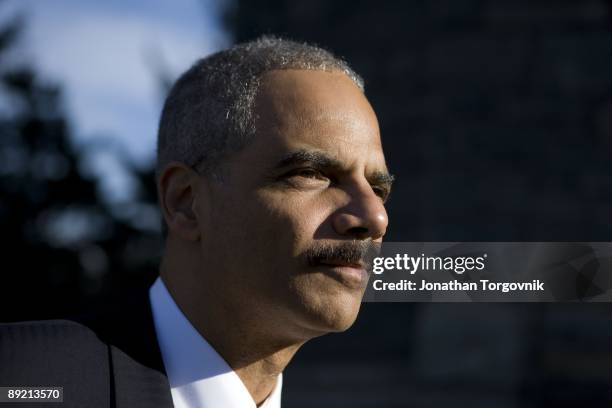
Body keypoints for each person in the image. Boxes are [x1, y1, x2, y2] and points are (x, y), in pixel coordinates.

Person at [0, 36, 393, 408]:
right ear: (185, 201)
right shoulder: (22, 379)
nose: (374, 216)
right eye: (311, 173)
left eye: (378, 188)